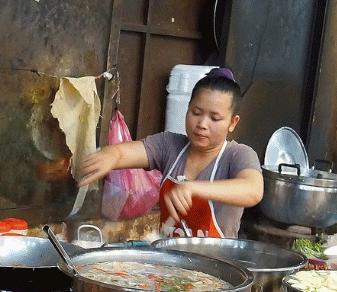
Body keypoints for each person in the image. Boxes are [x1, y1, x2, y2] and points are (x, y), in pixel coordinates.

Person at [79, 68, 263, 238]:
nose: (202, 124)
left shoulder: (238, 155)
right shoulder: (170, 145)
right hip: (169, 263)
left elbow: (253, 190)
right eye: (196, 112)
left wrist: (193, 188)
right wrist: (108, 156)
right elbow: (122, 153)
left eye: (214, 118)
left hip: (215, 268)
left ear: (232, 122)